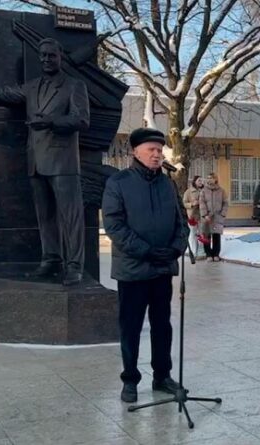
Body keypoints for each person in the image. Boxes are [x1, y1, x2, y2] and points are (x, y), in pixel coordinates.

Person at [0, 38, 90, 285]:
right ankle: (52, 259)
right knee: (45, 215)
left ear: (60, 57)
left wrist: (51, 122)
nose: (46, 59)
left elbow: (82, 120)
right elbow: (2, 94)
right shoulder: (32, 87)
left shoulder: (74, 85)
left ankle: (74, 266)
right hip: (36, 159)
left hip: (63, 161)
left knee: (71, 217)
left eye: (51, 55)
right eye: (43, 55)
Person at [101, 127, 188, 403]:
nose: (157, 154)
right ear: (135, 152)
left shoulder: (168, 184)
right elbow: (114, 225)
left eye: (160, 150)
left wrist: (175, 248)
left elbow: (182, 221)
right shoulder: (118, 183)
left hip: (162, 269)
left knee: (162, 326)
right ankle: (130, 380)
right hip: (133, 270)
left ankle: (162, 376)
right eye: (151, 149)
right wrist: (147, 252)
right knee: (131, 327)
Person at [200, 172, 228, 262]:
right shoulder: (203, 191)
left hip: (217, 216)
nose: (209, 179)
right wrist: (205, 214)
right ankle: (208, 254)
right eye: (208, 178)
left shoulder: (221, 190)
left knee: (216, 236)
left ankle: (216, 254)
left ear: (215, 179)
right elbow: (202, 203)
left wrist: (223, 214)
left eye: (211, 178)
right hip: (207, 216)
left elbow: (225, 203)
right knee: (206, 235)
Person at [183, 176, 205, 257]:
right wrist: (192, 204)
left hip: (202, 216)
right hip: (192, 216)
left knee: (202, 234)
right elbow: (184, 203)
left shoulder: (204, 191)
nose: (201, 182)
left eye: (201, 180)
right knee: (193, 234)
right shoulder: (188, 191)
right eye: (199, 180)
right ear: (194, 181)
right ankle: (193, 252)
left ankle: (201, 252)